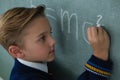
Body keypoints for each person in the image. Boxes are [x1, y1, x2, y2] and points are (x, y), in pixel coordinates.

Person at [0, 5, 112, 80]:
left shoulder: (28, 64)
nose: (53, 41)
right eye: (42, 38)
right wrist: (100, 55)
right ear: (17, 51)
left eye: (51, 33)